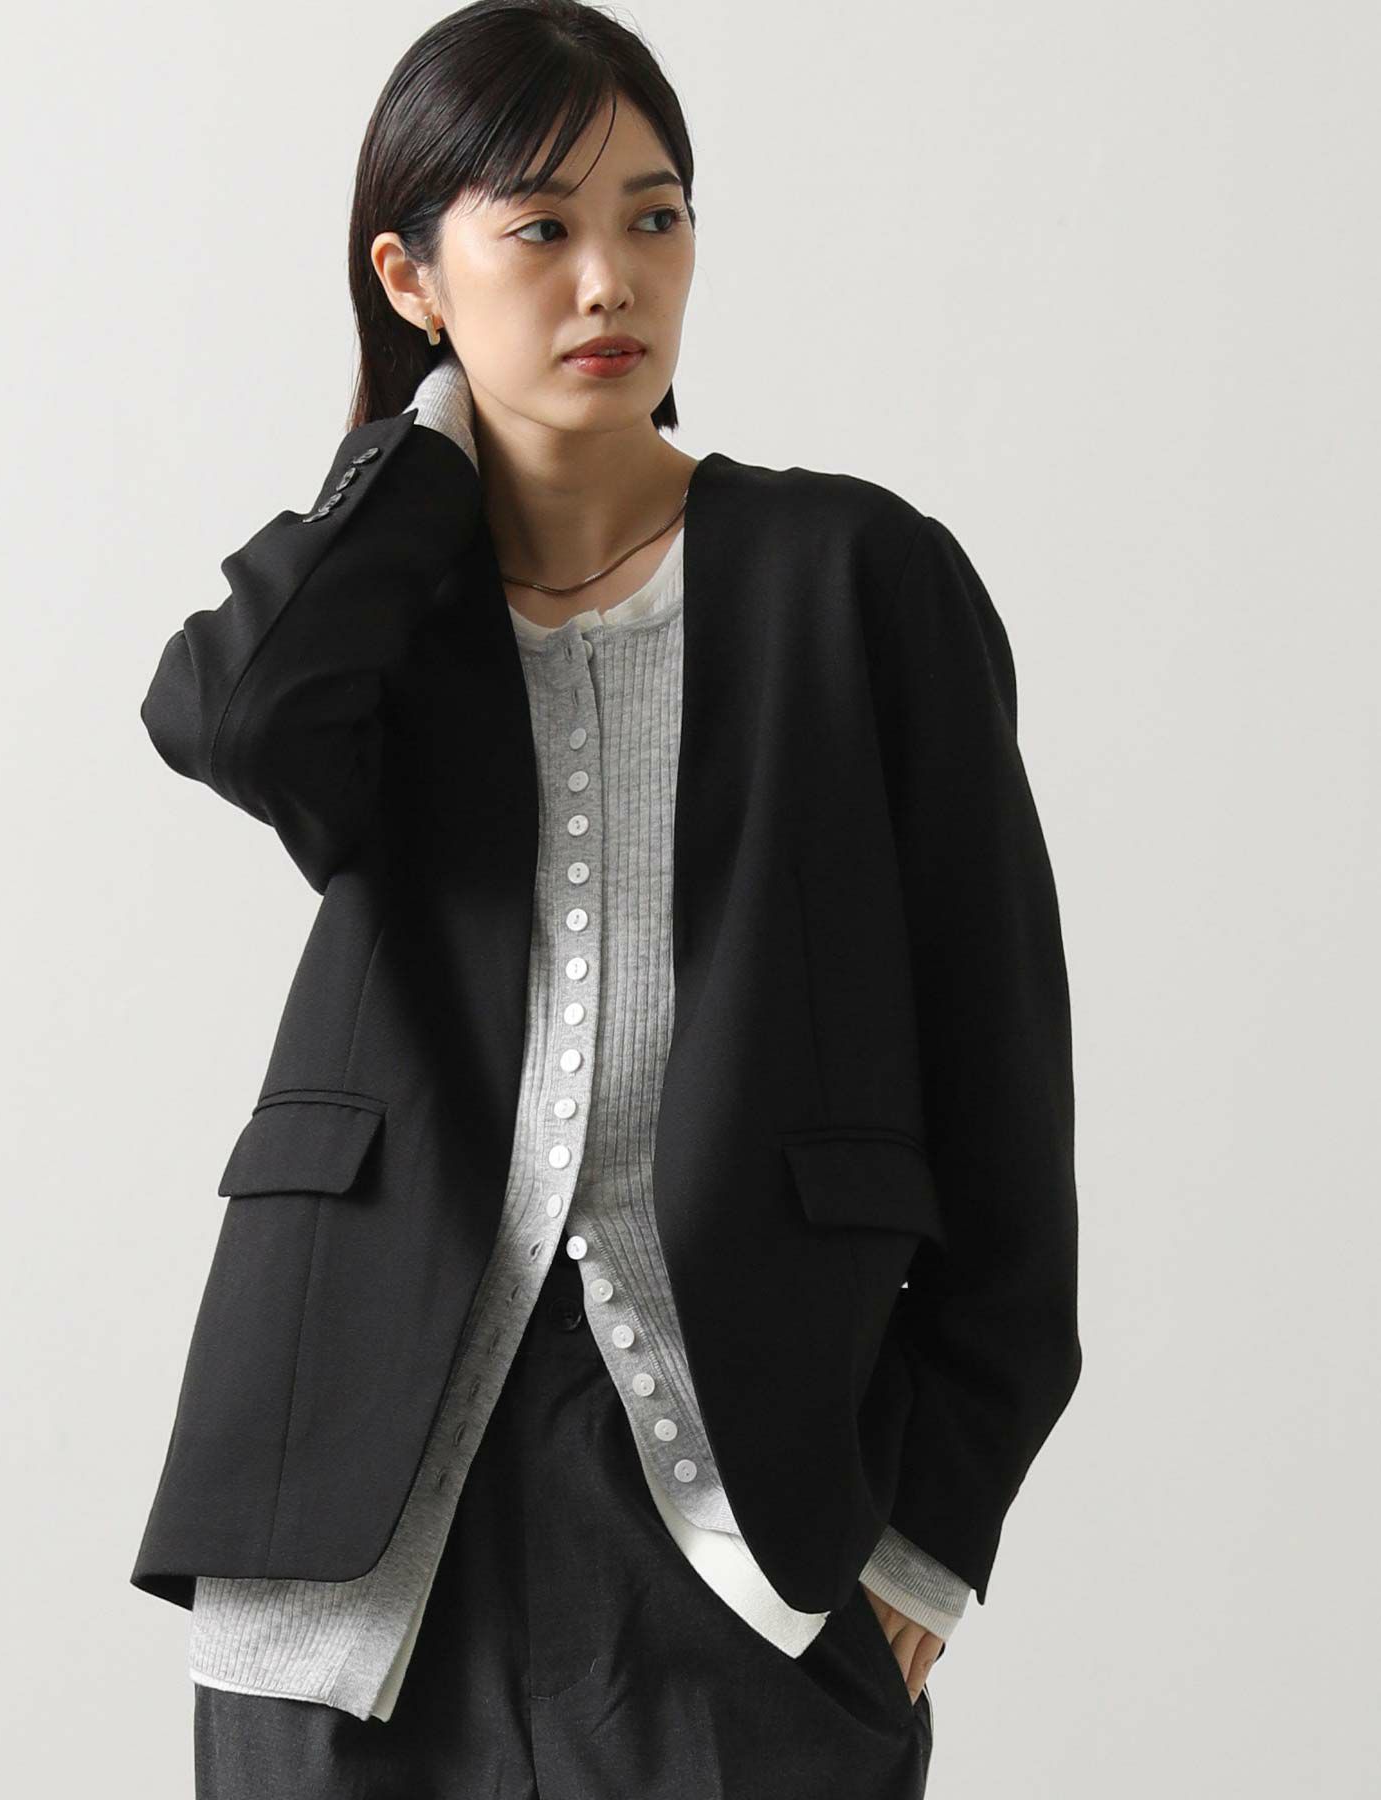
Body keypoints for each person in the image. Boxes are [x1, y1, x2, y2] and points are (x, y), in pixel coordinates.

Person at [129, 4, 1083, 1795]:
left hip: (747, 1534)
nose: (608, 281)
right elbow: (237, 720)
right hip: (348, 1532)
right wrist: (422, 460)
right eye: (540, 228)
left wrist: (930, 1537)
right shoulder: (379, 616)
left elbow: (1004, 1085)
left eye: (655, 217)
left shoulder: (857, 579)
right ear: (412, 276)